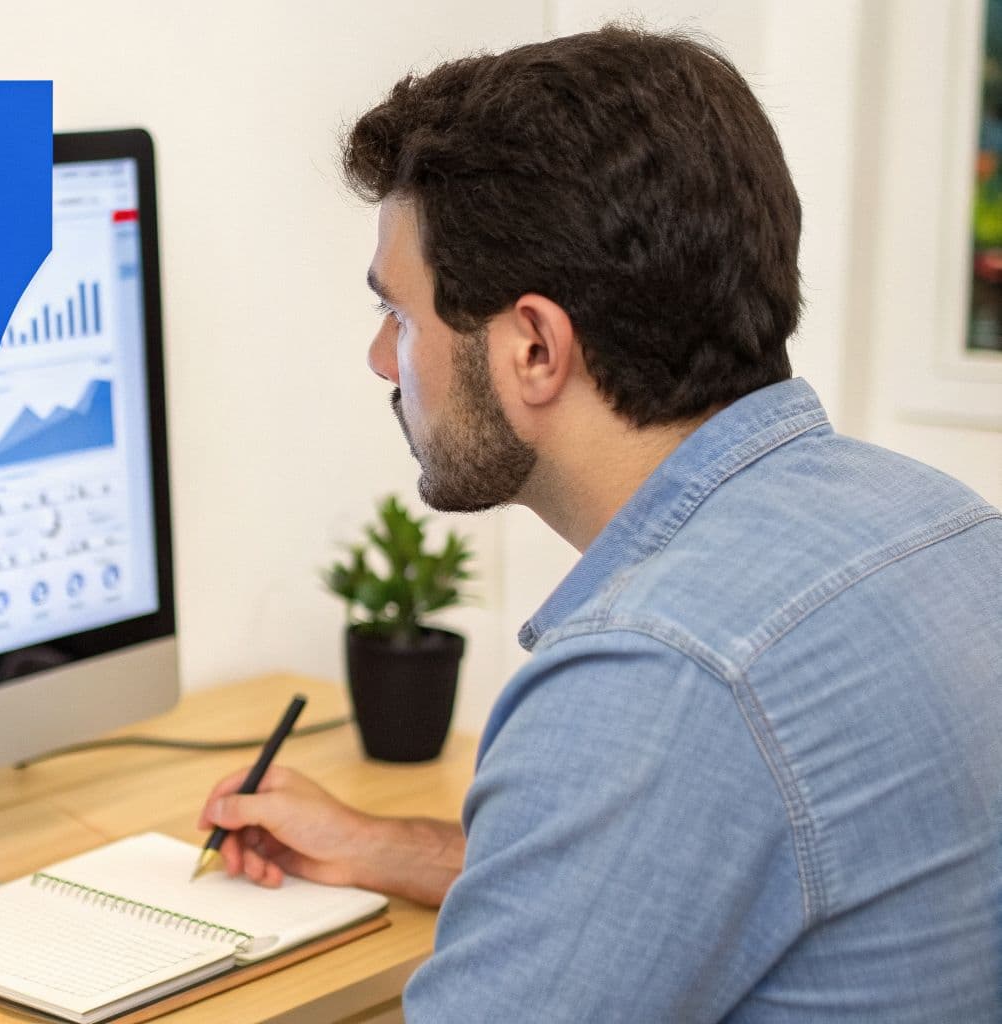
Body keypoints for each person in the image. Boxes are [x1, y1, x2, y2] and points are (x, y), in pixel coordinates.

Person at [199, 25, 1002, 1022]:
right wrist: (390, 849)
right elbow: (703, 877)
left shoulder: (658, 673)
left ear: (533, 347)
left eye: (399, 317)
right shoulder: (942, 526)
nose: (378, 359)